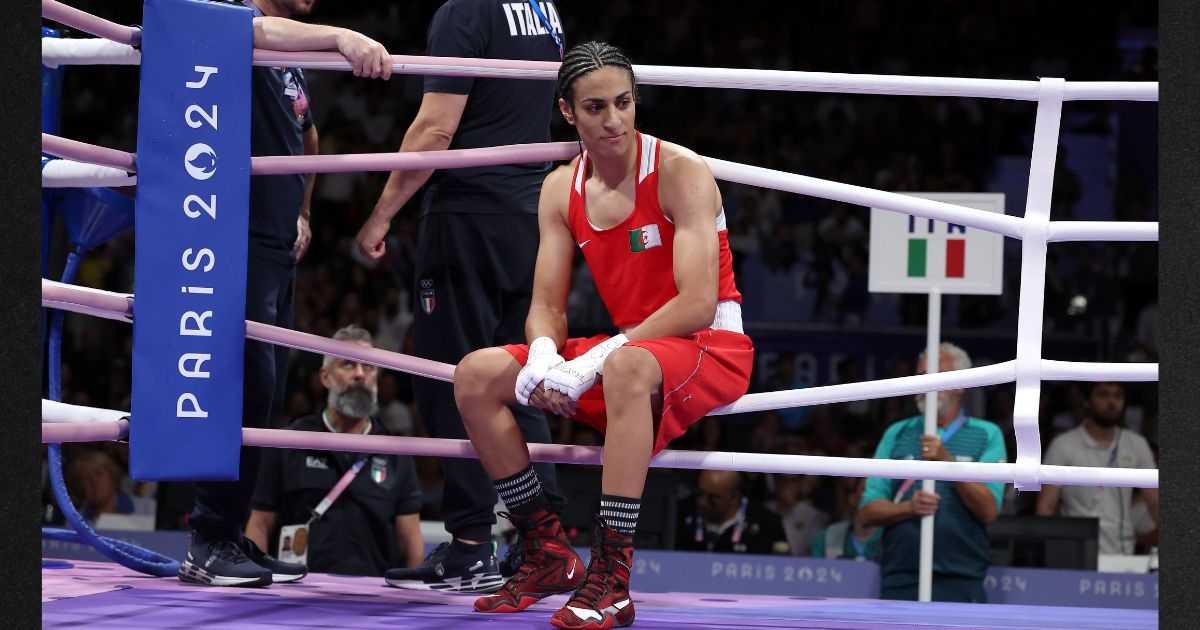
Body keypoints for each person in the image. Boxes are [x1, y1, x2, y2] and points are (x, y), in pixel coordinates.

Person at [452, 41, 755, 629]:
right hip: (634, 351)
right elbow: (545, 304)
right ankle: (547, 551)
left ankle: (612, 578)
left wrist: (597, 361)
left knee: (624, 365)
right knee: (475, 374)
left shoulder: (679, 171)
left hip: (708, 344)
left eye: (623, 103)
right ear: (568, 112)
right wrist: (543, 353)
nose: (613, 120)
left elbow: (696, 303)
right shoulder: (559, 188)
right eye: (595, 108)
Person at [355, 0, 569, 593]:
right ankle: (542, 545)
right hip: (530, 215)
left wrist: (380, 216)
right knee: (521, 376)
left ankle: (474, 543)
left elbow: (436, 128)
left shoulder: (465, 11)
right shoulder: (542, 8)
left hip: (468, 215)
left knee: (452, 378)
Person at [180, 1, 393, 588]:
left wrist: (302, 209)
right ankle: (207, 537)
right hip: (233, 234)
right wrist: (343, 35)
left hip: (276, 243)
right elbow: (253, 29)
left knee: (263, 392)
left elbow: (307, 130)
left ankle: (229, 537)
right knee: (235, 384)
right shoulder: (234, 18)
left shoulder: (288, 59)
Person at [245, 325, 425, 577]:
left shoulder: (395, 452)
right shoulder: (290, 441)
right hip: (297, 595)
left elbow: (411, 543)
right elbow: (260, 525)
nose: (360, 374)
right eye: (349, 365)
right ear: (325, 377)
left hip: (374, 599)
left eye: (369, 366)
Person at [856, 342, 1005, 603]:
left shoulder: (986, 434)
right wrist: (909, 509)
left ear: (961, 384)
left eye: (936, 375)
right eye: (921, 376)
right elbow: (867, 512)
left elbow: (988, 510)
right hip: (900, 576)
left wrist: (946, 462)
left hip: (962, 577)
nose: (926, 384)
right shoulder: (897, 433)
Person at [1036, 382, 1159, 555]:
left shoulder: (1137, 444)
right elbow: (1045, 509)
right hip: (1075, 552)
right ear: (1086, 400)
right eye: (1103, 395)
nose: (1112, 402)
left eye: (1118, 396)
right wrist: (1052, 553)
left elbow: (1155, 505)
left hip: (1123, 551)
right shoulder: (1063, 445)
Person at [675, 470, 789, 555]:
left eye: (713, 498)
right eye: (699, 493)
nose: (702, 502)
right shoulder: (680, 513)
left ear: (734, 497)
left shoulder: (767, 523)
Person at [811, 477, 880, 560]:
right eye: (866, 491)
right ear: (852, 498)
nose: (873, 498)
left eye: (879, 493)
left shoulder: (894, 538)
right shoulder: (826, 538)